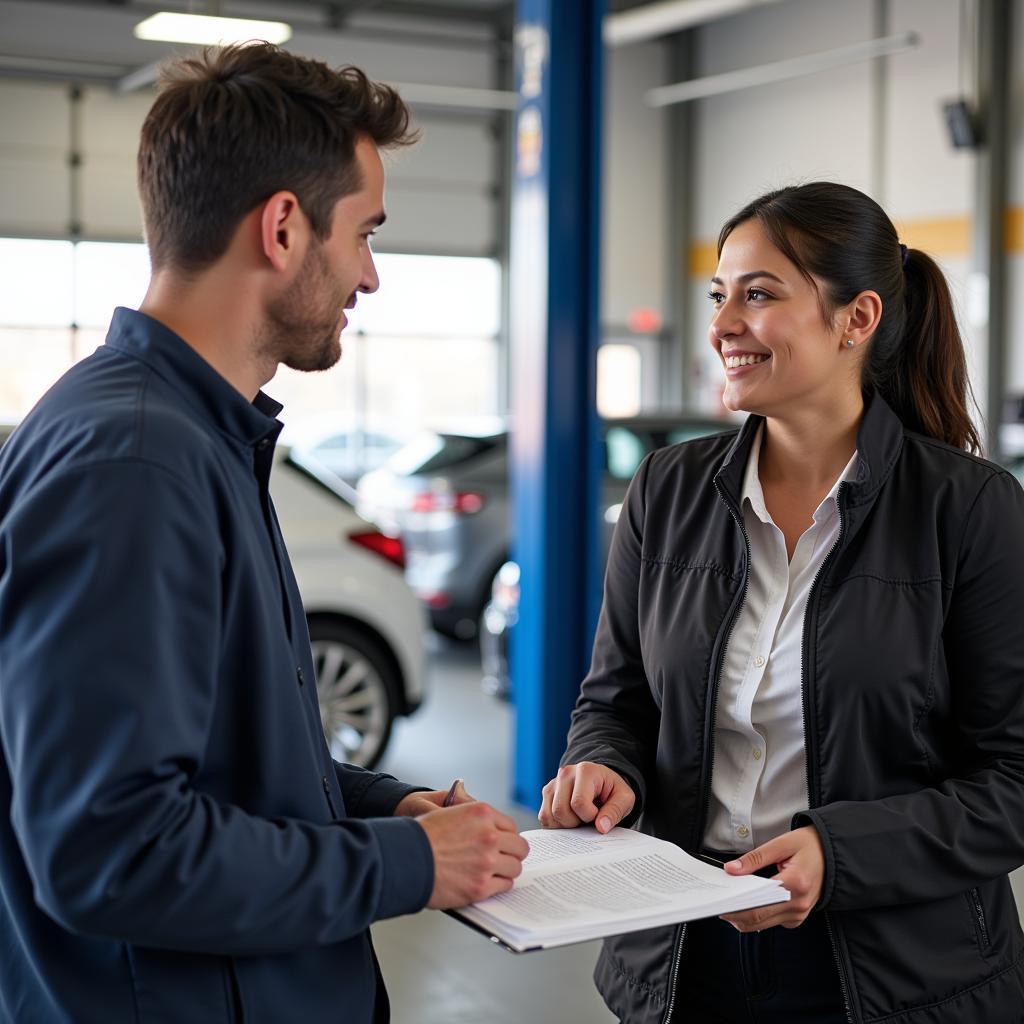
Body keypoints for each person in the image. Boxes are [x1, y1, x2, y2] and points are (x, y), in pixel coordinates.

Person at [0, 43, 528, 1024]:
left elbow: (215, 757)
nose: (369, 277)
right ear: (283, 226)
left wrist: (382, 807)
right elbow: (109, 849)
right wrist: (407, 865)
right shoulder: (137, 462)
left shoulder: (187, 433)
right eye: (364, 233)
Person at [539, 181, 1024, 1023]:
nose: (724, 324)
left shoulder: (969, 509)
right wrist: (603, 766)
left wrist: (840, 857)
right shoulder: (669, 489)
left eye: (758, 295)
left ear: (857, 318)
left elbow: (1014, 778)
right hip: (685, 957)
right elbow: (615, 699)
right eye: (720, 295)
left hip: (897, 975)